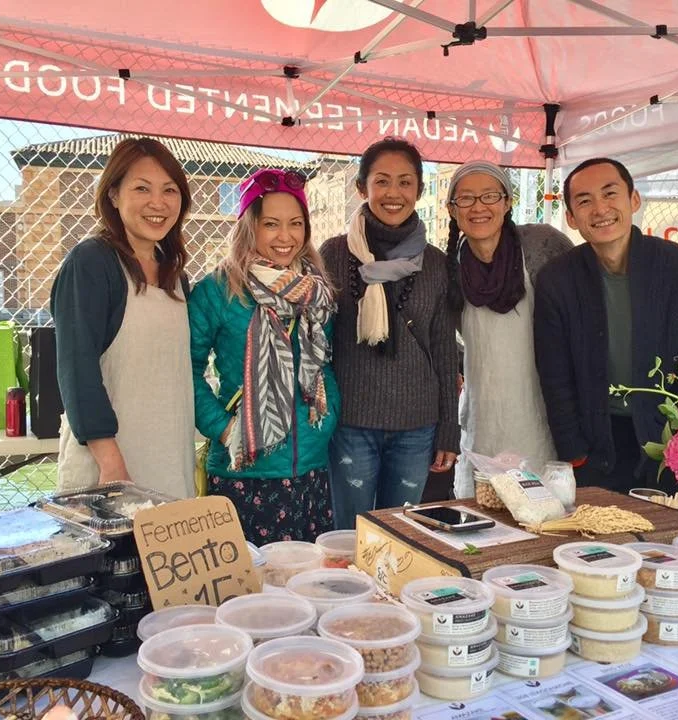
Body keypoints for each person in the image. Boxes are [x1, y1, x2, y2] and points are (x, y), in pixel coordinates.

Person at [533, 157, 678, 494]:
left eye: (610, 194)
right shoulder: (557, 280)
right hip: (597, 443)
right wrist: (574, 452)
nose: (600, 209)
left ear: (633, 200)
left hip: (672, 441)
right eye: (584, 201)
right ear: (571, 218)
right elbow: (554, 374)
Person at [188, 168, 339, 545]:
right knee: (251, 590)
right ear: (249, 226)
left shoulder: (316, 291)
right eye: (271, 224)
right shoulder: (217, 290)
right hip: (244, 469)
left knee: (303, 585)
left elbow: (325, 365)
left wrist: (328, 414)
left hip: (310, 464)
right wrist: (223, 428)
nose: (285, 237)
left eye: (295, 224)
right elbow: (184, 370)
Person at [321, 137, 460, 529]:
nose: (393, 193)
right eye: (382, 181)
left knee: (401, 534)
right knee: (350, 533)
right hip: (351, 422)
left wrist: (449, 428)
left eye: (405, 182)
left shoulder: (434, 264)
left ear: (419, 189)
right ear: (361, 188)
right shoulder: (333, 254)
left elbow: (445, 352)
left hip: (417, 426)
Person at [51, 137, 195, 498]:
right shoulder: (91, 263)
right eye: (142, 188)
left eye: (169, 190)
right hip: (110, 470)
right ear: (113, 194)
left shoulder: (175, 275)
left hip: (168, 460)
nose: (158, 203)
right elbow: (76, 368)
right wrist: (111, 463)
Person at [443, 161, 576, 498]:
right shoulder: (449, 265)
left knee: (542, 509)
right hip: (483, 417)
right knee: (484, 515)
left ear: (507, 201)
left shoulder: (541, 244)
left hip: (541, 415)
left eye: (489, 196)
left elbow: (593, 279)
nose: (478, 207)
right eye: (466, 199)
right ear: (451, 210)